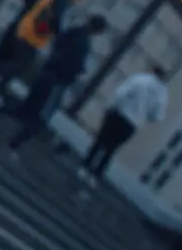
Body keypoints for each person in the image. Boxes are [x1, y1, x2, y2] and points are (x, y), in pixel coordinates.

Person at [7, 15, 108, 153]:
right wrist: (77, 70)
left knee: (28, 107)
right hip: (57, 81)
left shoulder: (72, 32)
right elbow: (75, 64)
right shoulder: (83, 42)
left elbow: (57, 44)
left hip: (48, 71)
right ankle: (14, 144)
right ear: (97, 31)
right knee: (41, 117)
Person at [0, 0, 87, 107]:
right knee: (19, 64)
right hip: (31, 37)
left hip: (24, 30)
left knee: (13, 60)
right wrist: (59, 35)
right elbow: (55, 19)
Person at [79, 65, 169, 185]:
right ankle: (95, 175)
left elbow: (122, 93)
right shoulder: (161, 94)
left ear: (152, 71)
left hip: (119, 113)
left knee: (100, 140)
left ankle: (85, 166)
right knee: (111, 149)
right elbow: (157, 116)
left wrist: (111, 105)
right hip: (132, 123)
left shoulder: (140, 79)